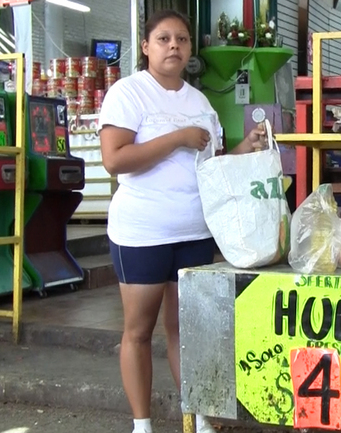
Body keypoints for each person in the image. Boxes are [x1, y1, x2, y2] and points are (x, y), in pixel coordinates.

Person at [98, 10, 265, 433]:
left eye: (182, 39)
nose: (174, 45)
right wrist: (177, 138)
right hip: (143, 233)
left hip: (194, 230)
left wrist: (245, 147)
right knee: (139, 331)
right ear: (146, 47)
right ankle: (142, 425)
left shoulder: (199, 102)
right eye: (164, 38)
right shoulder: (128, 93)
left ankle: (199, 418)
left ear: (190, 48)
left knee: (186, 332)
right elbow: (114, 159)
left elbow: (210, 165)